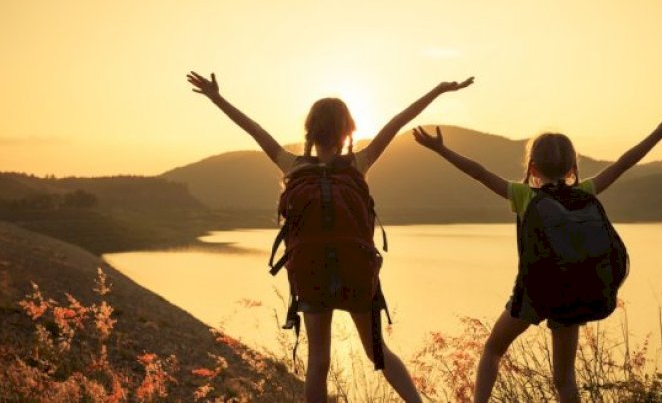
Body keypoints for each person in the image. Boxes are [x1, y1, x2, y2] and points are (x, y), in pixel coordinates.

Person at [187, 71, 473, 403]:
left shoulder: (292, 165)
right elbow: (398, 121)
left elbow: (254, 129)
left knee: (318, 362)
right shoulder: (358, 163)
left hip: (311, 274)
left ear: (309, 131)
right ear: (349, 131)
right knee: (377, 353)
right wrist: (437, 90)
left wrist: (217, 98)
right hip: (356, 271)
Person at [412, 116, 662, 403]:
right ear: (572, 167)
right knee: (564, 380)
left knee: (493, 350)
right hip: (572, 290)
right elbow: (623, 164)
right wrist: (658, 133)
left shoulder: (524, 195)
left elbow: (478, 172)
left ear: (533, 167)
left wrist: (441, 150)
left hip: (533, 293)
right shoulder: (584, 192)